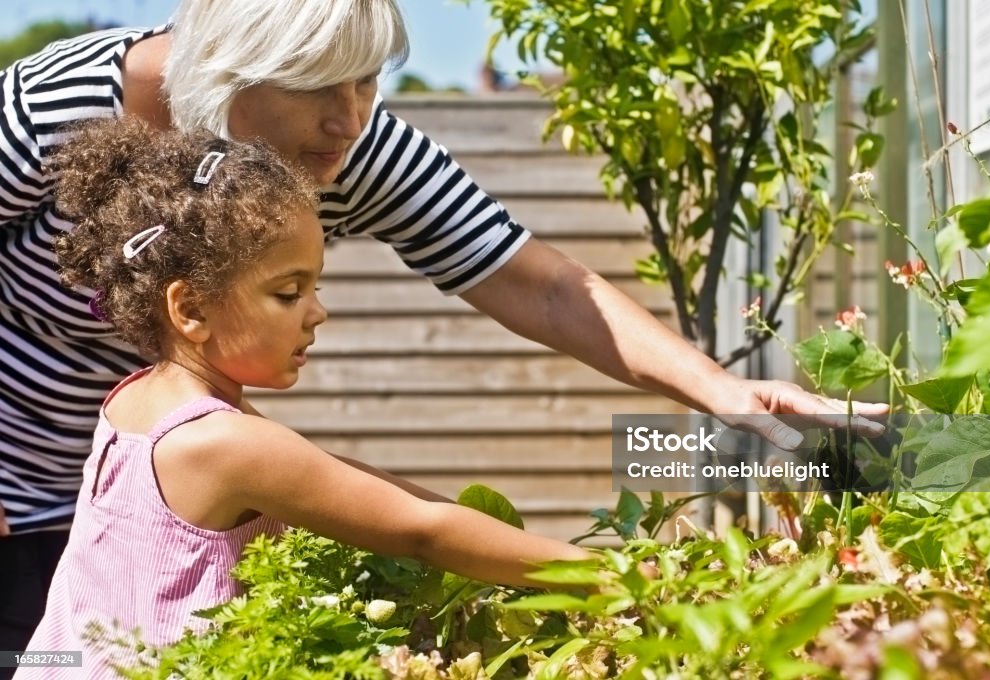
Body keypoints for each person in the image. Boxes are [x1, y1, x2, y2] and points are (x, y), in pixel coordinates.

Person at [0, 0, 887, 658]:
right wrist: (637, 582)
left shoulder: (348, 150)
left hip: (132, 497)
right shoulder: (65, 103)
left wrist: (719, 390)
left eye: (367, 82)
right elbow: (416, 526)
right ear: (228, 80)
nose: (349, 121)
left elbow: (530, 278)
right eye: (317, 89)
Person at [14, 117, 595, 680]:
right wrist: (608, 574)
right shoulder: (223, 443)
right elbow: (421, 530)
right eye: (289, 292)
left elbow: (339, 478)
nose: (317, 312)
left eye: (315, 286)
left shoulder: (138, 400)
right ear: (190, 309)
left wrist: (478, 524)